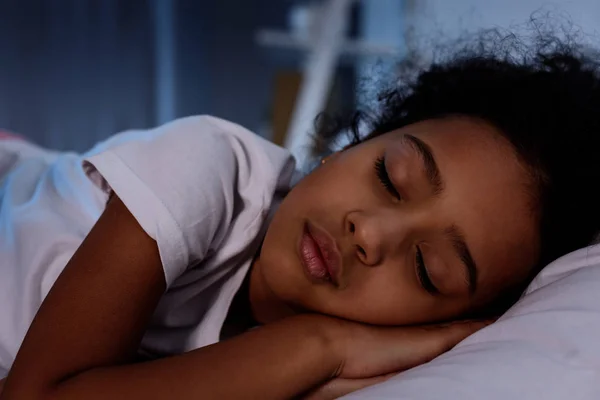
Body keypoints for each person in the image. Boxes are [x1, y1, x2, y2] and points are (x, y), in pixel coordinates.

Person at [1, 30, 600, 399]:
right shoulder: (210, 165)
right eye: (390, 175)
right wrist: (319, 344)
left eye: (428, 269)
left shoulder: (353, 370)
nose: (369, 232)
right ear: (351, 146)